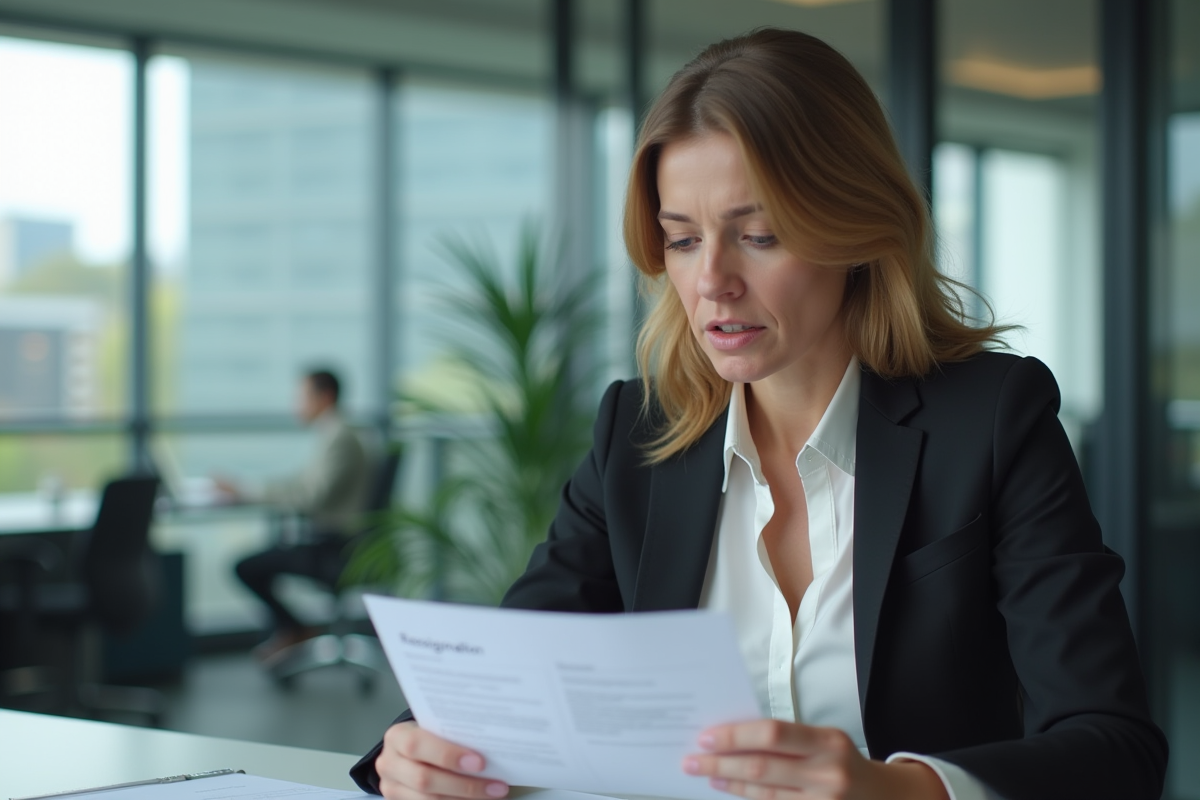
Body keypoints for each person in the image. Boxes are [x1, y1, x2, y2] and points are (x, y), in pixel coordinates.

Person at [350, 29, 1168, 800]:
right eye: (681, 240)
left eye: (761, 234)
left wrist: (902, 789)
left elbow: (1115, 747)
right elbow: (505, 677)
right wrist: (419, 746)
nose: (712, 282)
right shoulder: (636, 433)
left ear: (856, 228)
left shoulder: (990, 419)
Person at [217, 368, 368, 661]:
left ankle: (295, 629)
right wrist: (248, 488)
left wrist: (246, 492)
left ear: (325, 397)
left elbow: (309, 497)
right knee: (259, 561)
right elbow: (301, 485)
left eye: (302, 397)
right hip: (332, 538)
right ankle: (293, 630)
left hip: (335, 546)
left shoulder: (340, 437)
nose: (297, 405)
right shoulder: (335, 433)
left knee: (246, 567)